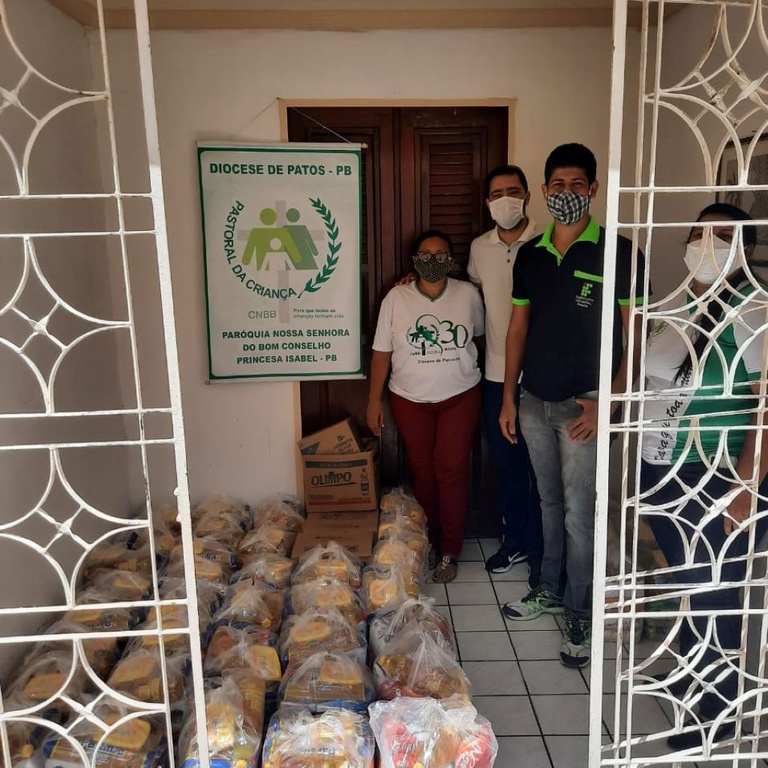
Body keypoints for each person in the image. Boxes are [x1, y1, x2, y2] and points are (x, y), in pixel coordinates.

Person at [498, 143, 645, 669]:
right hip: (534, 401)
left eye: (576, 184)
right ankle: (549, 589)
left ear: (594, 189)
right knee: (549, 504)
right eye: (557, 185)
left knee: (582, 516)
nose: (566, 193)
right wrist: (509, 395)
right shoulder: (531, 255)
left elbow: (637, 334)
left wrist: (609, 403)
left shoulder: (619, 252)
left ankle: (580, 613)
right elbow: (518, 328)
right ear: (544, 191)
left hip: (587, 407)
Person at [638, 204, 768, 750]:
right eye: (699, 232)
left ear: (745, 249)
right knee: (689, 582)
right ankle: (694, 672)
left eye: (722, 235)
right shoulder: (677, 302)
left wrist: (745, 488)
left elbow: (765, 408)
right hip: (662, 465)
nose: (706, 243)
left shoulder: (753, 311)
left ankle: (717, 710)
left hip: (715, 472)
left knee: (715, 588)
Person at [367, 230, 484, 583]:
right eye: (425, 255)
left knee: (451, 469)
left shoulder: (467, 295)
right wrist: (373, 400)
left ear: (451, 261)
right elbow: (381, 352)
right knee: (422, 471)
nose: (433, 261)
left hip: (460, 396)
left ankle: (449, 550)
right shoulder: (396, 297)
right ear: (414, 260)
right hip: (409, 399)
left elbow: (480, 338)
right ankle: (427, 539)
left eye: (440, 255)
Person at [467, 165, 543, 583]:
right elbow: (475, 293)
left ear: (528, 196)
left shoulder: (549, 240)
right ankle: (514, 540)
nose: (505, 200)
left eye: (513, 191)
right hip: (497, 376)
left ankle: (541, 550)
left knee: (543, 471)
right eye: (497, 194)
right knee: (508, 464)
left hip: (543, 377)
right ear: (487, 202)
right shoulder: (479, 248)